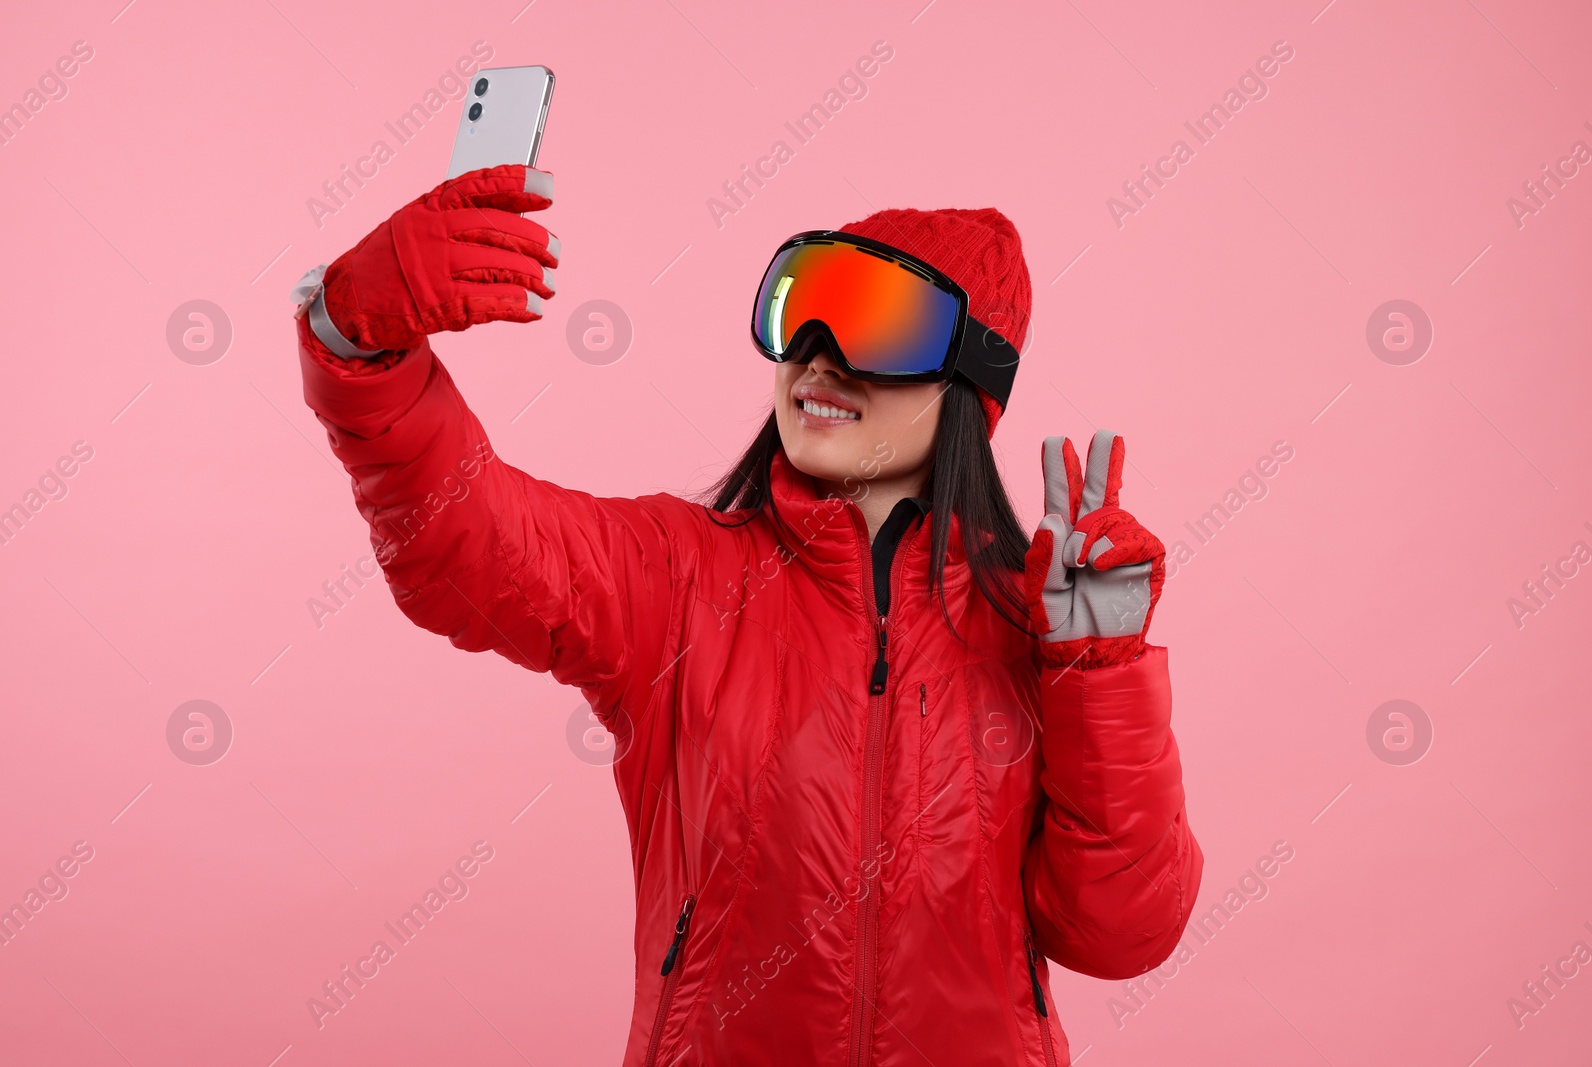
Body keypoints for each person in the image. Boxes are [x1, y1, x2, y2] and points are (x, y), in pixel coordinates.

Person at [290, 163, 1202, 1067]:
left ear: (969, 381)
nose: (817, 354)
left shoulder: (1034, 625)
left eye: (876, 325)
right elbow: (465, 537)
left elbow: (1121, 935)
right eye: (799, 309)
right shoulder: (678, 577)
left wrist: (1099, 675)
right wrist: (358, 346)